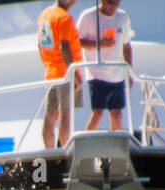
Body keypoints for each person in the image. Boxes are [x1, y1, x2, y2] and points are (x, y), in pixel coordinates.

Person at [76, 0, 133, 131]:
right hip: (97, 73)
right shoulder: (89, 16)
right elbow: (77, 41)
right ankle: (86, 146)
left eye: (117, 3)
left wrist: (129, 72)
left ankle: (116, 149)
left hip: (117, 74)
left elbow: (127, 45)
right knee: (97, 113)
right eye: (110, 2)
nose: (113, 6)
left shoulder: (122, 17)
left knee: (117, 115)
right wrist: (100, 44)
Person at [38, 0, 83, 148]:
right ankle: (65, 152)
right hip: (65, 73)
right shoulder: (64, 17)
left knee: (50, 116)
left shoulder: (44, 14)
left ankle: (49, 152)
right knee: (65, 114)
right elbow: (65, 47)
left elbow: (40, 45)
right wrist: (74, 74)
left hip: (51, 73)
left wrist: (47, 65)